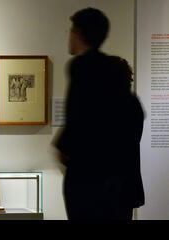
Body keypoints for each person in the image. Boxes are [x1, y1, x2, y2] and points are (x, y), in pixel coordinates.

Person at [53, 8, 145, 220]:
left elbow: (78, 120)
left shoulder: (82, 67)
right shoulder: (132, 104)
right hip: (120, 186)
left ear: (79, 32)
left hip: (90, 183)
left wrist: (62, 148)